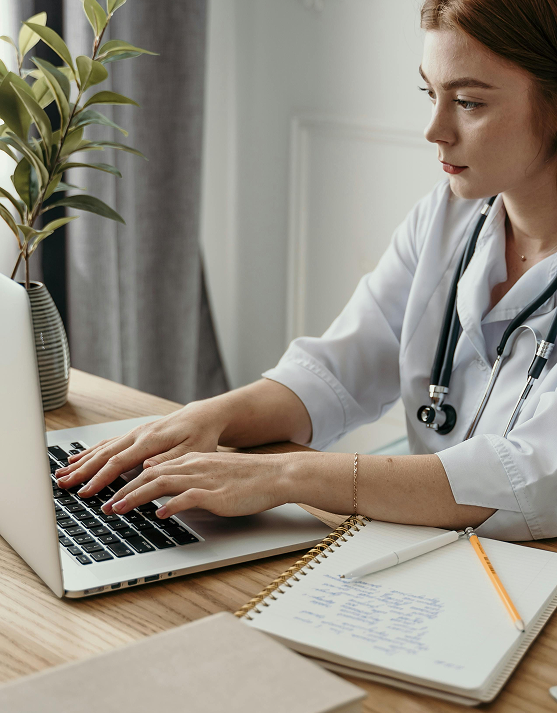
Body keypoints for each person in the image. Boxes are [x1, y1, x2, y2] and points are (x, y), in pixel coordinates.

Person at [56, 0, 557, 542]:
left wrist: (288, 475)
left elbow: (533, 474)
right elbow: (341, 368)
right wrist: (209, 417)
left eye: (467, 102)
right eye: (429, 94)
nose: (434, 129)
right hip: (436, 553)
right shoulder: (448, 217)